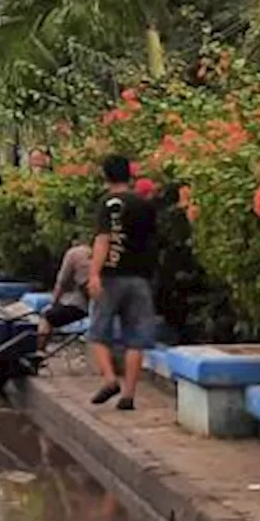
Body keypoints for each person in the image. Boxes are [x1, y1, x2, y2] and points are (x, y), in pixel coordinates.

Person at [87, 155, 159, 411]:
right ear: (129, 175)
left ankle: (109, 379)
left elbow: (104, 240)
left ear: (105, 176)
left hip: (110, 277)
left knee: (97, 333)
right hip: (139, 278)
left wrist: (94, 273)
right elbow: (152, 241)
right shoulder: (145, 205)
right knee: (136, 339)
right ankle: (128, 394)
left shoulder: (107, 204)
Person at [37, 238, 92, 353]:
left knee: (46, 317)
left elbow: (61, 282)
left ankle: (39, 351)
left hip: (80, 305)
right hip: (100, 303)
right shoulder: (98, 253)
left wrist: (54, 302)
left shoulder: (73, 253)